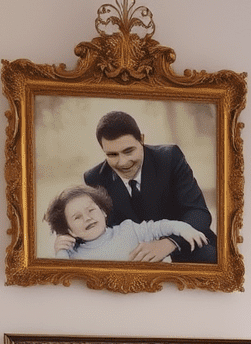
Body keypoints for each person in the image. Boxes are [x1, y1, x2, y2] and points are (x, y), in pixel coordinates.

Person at [81, 109, 217, 263]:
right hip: (134, 257)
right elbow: (98, 230)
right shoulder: (94, 178)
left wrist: (168, 243)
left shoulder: (170, 157)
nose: (123, 162)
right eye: (112, 155)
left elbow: (198, 212)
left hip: (185, 245)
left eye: (129, 151)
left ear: (142, 139)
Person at [44, 186, 200, 263]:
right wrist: (60, 250)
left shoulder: (129, 229)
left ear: (104, 212)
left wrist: (182, 228)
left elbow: (158, 227)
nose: (87, 218)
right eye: (77, 217)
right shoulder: (74, 255)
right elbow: (65, 281)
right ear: (70, 231)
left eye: (91, 210)